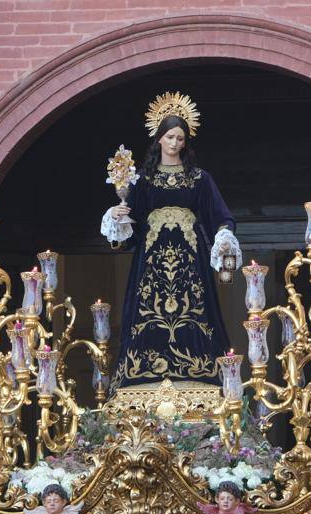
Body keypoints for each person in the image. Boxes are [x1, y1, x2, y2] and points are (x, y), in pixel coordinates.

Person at [103, 91, 241, 391]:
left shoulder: (199, 178)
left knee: (196, 310)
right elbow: (131, 229)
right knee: (147, 311)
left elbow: (220, 215)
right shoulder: (142, 179)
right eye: (170, 137)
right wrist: (118, 217)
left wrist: (223, 234)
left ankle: (199, 377)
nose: (175, 143)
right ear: (159, 138)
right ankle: (143, 378)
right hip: (151, 262)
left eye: (180, 138)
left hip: (190, 260)